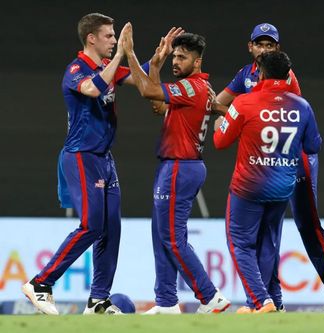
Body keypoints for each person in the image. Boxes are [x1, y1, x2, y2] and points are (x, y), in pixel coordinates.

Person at [214, 23, 324, 313]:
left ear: (276, 49)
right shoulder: (245, 75)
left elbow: (290, 122)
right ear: (250, 47)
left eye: (270, 45)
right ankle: (272, 302)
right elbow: (219, 103)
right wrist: (237, 115)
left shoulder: (285, 75)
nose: (264, 49)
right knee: (269, 237)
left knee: (307, 226)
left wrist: (238, 117)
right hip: (276, 166)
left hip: (294, 160)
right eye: (260, 44)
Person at [21, 13, 150, 315]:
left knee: (111, 229)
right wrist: (121, 55)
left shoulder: (108, 66)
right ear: (91, 38)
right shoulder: (76, 69)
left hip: (105, 158)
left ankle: (98, 301)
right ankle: (40, 283)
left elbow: (140, 79)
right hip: (81, 155)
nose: (114, 40)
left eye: (115, 36)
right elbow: (93, 89)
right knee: (92, 225)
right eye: (109, 35)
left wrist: (156, 57)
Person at [120, 23, 230, 314]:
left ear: (198, 61)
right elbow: (158, 105)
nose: (177, 62)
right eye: (175, 57)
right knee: (161, 234)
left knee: (172, 237)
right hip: (175, 165)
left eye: (183, 57)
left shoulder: (190, 87)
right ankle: (167, 301)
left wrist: (129, 52)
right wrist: (156, 63)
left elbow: (146, 92)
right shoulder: (197, 87)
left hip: (181, 166)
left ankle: (209, 296)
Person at [213, 51, 322, 313]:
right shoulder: (302, 106)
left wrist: (220, 124)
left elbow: (219, 142)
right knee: (267, 244)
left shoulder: (244, 103)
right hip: (283, 185)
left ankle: (261, 301)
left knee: (240, 242)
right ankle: (265, 303)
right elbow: (313, 146)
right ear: (288, 76)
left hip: (248, 186)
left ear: (260, 73)